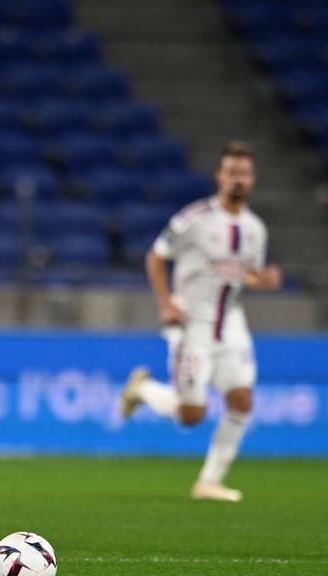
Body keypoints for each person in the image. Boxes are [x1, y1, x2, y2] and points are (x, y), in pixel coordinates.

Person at [119, 141, 282, 502]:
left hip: (232, 324)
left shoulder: (256, 229)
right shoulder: (193, 219)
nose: (238, 179)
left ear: (252, 179)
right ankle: (142, 390)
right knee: (191, 414)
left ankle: (208, 482)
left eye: (244, 173)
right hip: (191, 324)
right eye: (231, 172)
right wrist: (166, 305)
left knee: (241, 400)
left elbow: (245, 275)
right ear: (219, 176)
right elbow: (156, 257)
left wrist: (263, 281)